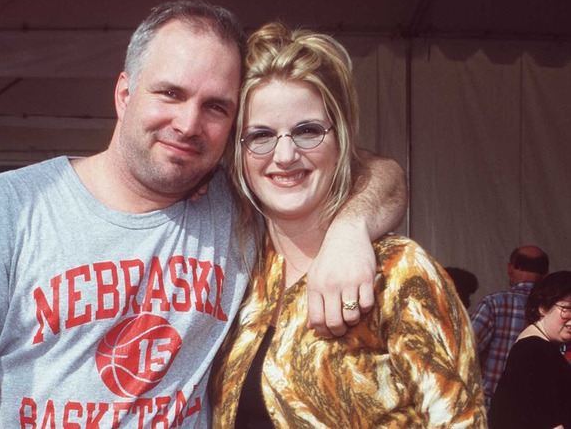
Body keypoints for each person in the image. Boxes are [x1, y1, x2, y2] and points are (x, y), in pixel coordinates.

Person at [0, 1, 406, 428]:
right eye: (170, 93)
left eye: (216, 107)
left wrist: (348, 229)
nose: (187, 123)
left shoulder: (239, 205)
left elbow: (381, 174)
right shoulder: (6, 208)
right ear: (124, 94)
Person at [209, 22, 485, 427]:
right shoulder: (240, 269)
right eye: (261, 135)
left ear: (341, 141)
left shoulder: (399, 271)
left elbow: (460, 418)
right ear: (238, 151)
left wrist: (349, 229)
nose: (284, 155)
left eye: (307, 131)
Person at [488, 270, 571, 428]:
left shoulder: (535, 347)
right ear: (543, 308)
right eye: (566, 309)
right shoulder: (535, 351)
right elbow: (546, 422)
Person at [470, 245, 549, 407]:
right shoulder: (554, 309)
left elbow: (465, 351)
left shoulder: (494, 303)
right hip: (537, 407)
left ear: (509, 268)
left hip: (493, 406)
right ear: (545, 274)